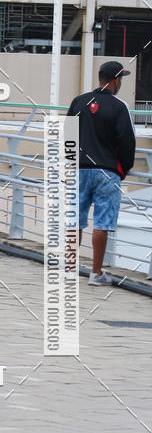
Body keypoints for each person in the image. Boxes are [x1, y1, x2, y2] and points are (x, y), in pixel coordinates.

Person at [67, 60, 135, 286]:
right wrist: (122, 169)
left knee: (74, 220)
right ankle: (95, 273)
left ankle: (69, 269)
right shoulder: (119, 106)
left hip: (79, 169)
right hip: (107, 171)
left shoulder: (79, 102)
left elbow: (67, 136)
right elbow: (127, 142)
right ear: (116, 80)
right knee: (102, 223)